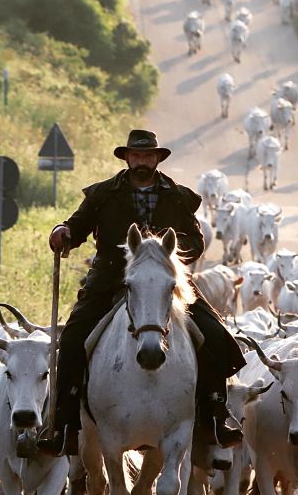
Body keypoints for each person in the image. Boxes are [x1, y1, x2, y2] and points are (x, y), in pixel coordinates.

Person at [36, 130, 246, 457]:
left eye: (148, 157)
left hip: (163, 280)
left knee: (214, 335)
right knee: (74, 337)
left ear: (157, 159)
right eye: (136, 156)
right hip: (110, 277)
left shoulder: (177, 195)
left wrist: (166, 258)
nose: (142, 162)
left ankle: (216, 415)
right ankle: (64, 425)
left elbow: (195, 240)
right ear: (127, 158)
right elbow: (77, 225)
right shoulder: (104, 194)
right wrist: (62, 232)